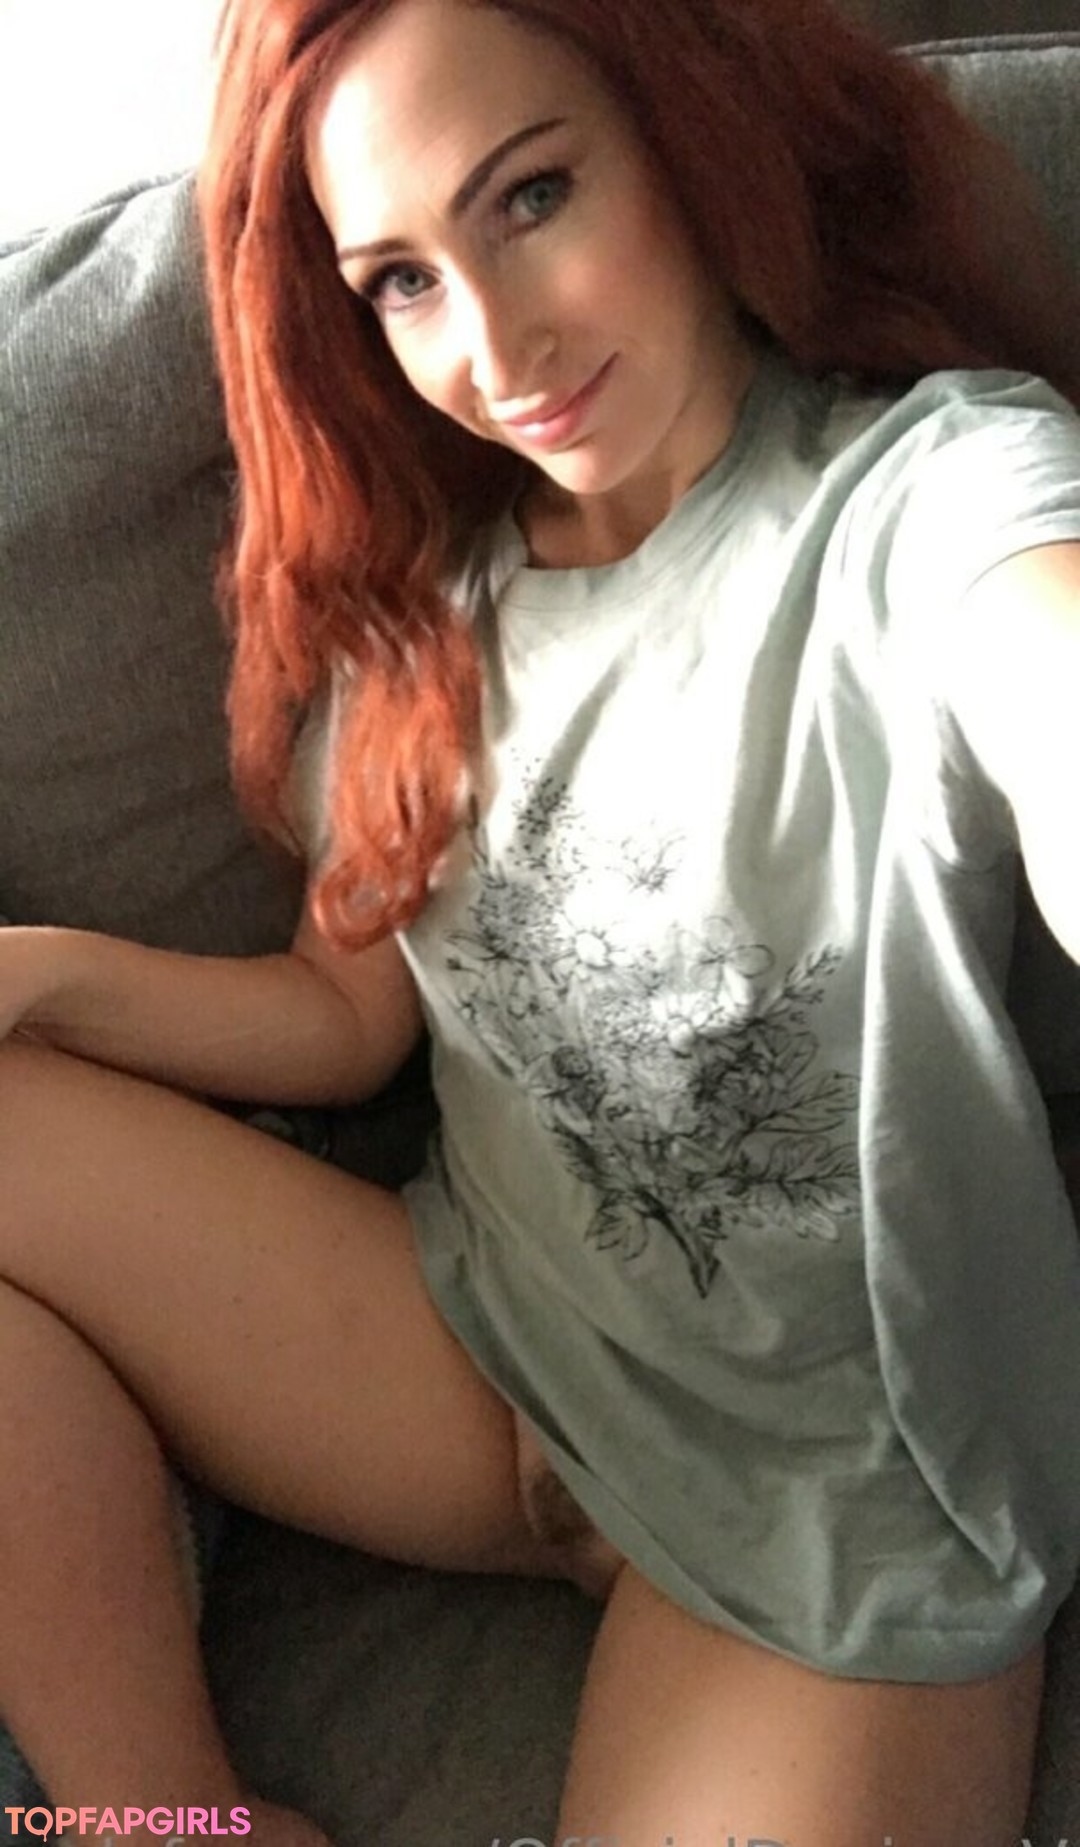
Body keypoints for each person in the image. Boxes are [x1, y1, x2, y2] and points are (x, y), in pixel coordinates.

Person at [3, 0, 1080, 1840]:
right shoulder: (434, 601)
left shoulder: (917, 499)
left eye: (533, 196)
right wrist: (41, 977)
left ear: (687, 128)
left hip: (830, 1491)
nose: (496, 352)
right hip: (491, 1354)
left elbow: (1035, 647)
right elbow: (341, 1018)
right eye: (403, 281)